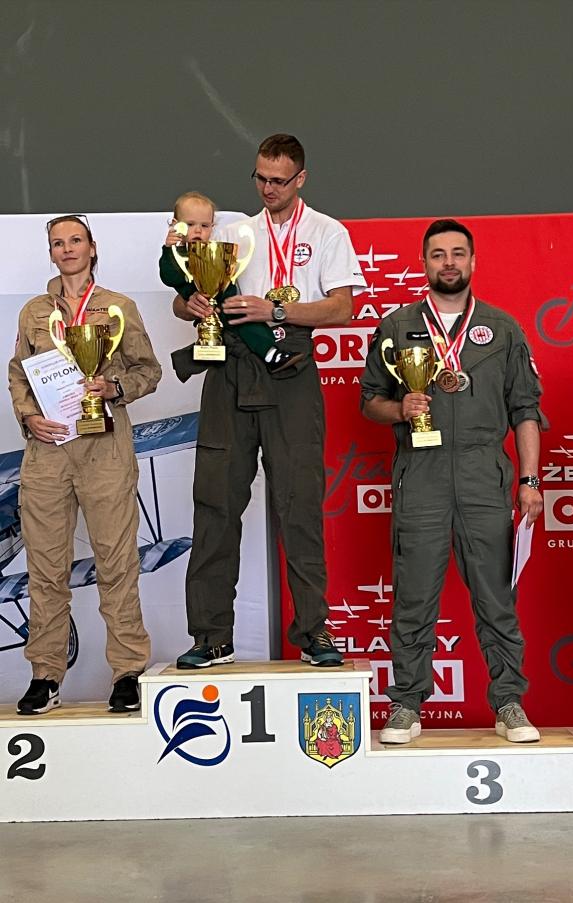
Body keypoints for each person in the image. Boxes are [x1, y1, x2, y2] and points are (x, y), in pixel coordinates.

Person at [171, 134, 366, 669]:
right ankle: (211, 635)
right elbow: (185, 295)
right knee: (215, 503)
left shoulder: (328, 232)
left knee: (299, 505)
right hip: (230, 368)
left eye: (278, 180)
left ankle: (314, 631)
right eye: (260, 177)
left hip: (292, 372)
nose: (267, 188)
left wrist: (275, 312)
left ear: (300, 178)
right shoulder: (233, 232)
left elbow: (343, 308)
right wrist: (190, 304)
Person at [360, 219, 545, 744]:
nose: (448, 262)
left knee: (495, 596)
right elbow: (369, 401)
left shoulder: (502, 328)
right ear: (424, 263)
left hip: (483, 475)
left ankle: (509, 702)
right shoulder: (396, 328)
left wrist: (530, 479)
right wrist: (401, 407)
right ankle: (407, 705)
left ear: (473, 261)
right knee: (414, 596)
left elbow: (525, 409)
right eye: (438, 254)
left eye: (458, 253)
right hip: (421, 476)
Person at [8, 215, 161, 714]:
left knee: (117, 563)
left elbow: (148, 370)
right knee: (45, 569)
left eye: (76, 240)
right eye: (58, 243)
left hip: (105, 449)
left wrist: (113, 389)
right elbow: (18, 374)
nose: (68, 249)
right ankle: (46, 675)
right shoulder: (34, 312)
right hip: (47, 454)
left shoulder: (118, 308)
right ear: (50, 253)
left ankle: (128, 671)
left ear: (92, 248)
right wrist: (28, 416)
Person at [159, 191, 302, 374]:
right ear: (175, 225)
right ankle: (271, 355)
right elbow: (169, 277)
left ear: (213, 227)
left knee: (249, 319)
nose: (197, 231)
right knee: (245, 321)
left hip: (228, 302)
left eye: (205, 225)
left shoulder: (216, 249)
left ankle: (272, 354)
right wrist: (169, 248)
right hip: (211, 308)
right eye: (190, 224)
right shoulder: (177, 254)